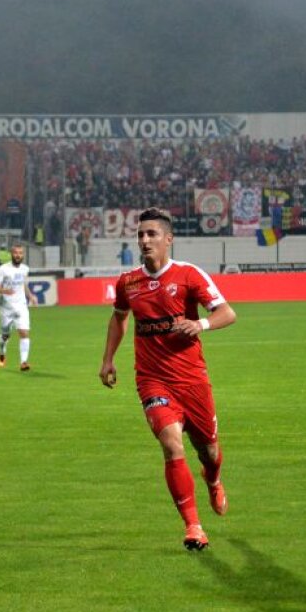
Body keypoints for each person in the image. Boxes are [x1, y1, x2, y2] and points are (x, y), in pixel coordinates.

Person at [98, 208, 237, 551]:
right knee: (172, 444)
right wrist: (107, 360)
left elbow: (227, 313)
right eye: (141, 235)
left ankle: (213, 479)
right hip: (152, 380)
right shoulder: (128, 282)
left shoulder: (189, 275)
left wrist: (200, 324)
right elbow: (119, 318)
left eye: (151, 234)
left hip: (192, 380)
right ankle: (193, 527)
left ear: (168, 239)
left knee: (209, 451)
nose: (144, 240)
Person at [0, 244, 40, 371]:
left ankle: (24, 362)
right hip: (6, 307)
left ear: (23, 255)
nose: (18, 255)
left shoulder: (25, 269)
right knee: (5, 336)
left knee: (24, 332)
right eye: (16, 253)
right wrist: (4, 291)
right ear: (11, 254)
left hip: (21, 306)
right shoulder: (3, 269)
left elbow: (23, 284)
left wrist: (30, 296)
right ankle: (2, 352)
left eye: (20, 253)